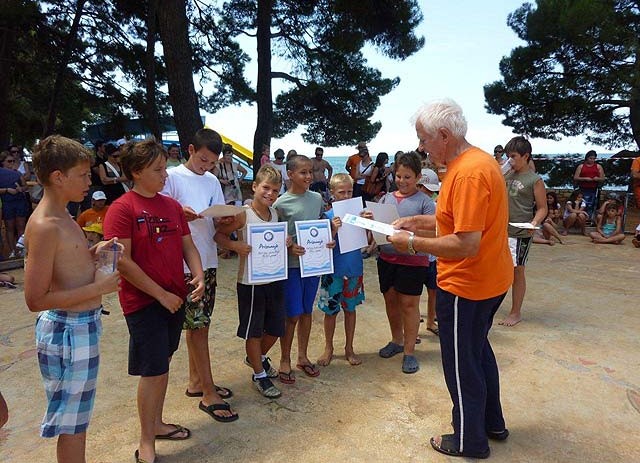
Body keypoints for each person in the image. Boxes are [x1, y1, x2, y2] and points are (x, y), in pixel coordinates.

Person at [388, 99, 513, 459]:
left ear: (444, 135)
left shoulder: (469, 172)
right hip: (488, 279)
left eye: (424, 140)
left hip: (467, 285)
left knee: (461, 363)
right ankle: (492, 423)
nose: (421, 149)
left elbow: (465, 243)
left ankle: (468, 439)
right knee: (477, 351)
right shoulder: (475, 162)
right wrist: (416, 222)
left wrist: (411, 242)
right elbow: (458, 220)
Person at [103, 139, 205, 463]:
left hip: (174, 298)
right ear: (135, 172)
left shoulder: (171, 206)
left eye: (164, 167)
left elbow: (187, 245)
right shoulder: (122, 208)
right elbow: (122, 261)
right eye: (157, 169)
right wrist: (160, 295)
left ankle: (158, 423)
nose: (165, 175)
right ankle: (146, 440)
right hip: (145, 302)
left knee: (162, 366)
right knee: (152, 370)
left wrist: (199, 274)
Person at [23, 135, 121, 463]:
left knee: (77, 420)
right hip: (67, 331)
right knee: (71, 424)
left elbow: (64, 266)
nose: (89, 181)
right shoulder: (45, 224)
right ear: (58, 177)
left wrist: (93, 253)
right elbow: (36, 299)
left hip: (80, 328)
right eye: (82, 175)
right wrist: (99, 289)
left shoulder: (65, 215)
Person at [161, 129, 237, 422]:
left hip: (206, 257)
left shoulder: (212, 180)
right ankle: (208, 392)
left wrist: (225, 217)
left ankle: (196, 381)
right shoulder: (171, 177)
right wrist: (181, 212)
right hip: (182, 264)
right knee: (198, 328)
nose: (206, 166)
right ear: (190, 149)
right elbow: (162, 212)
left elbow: (216, 216)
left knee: (200, 325)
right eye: (203, 159)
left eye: (211, 162)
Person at [214, 165, 286, 398]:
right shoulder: (243, 214)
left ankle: (257, 358)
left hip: (273, 278)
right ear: (255, 187)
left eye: (275, 190)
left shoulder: (274, 214)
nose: (270, 194)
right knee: (253, 331)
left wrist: (285, 243)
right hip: (250, 283)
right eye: (266, 188)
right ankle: (259, 375)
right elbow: (218, 235)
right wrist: (235, 246)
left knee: (276, 327)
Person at [375, 151, 434, 374]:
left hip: (413, 261)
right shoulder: (385, 198)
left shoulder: (425, 203)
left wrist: (412, 230)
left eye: (408, 177)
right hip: (387, 258)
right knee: (391, 302)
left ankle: (410, 351)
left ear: (418, 177)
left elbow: (434, 234)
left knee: (409, 306)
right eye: (399, 176)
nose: (402, 181)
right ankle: (396, 341)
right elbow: (377, 228)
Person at [274, 154, 328, 383]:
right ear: (290, 174)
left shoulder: (317, 199)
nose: (308, 176)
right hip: (292, 267)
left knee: (307, 312)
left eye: (310, 172)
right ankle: (284, 360)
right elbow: (273, 237)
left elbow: (320, 227)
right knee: (292, 314)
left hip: (312, 266)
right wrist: (289, 248)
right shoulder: (280, 203)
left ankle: (302, 357)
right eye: (303, 172)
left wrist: (328, 240)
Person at [316, 173, 366, 367]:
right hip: (333, 270)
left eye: (349, 192)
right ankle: (328, 347)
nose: (346, 196)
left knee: (350, 310)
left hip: (354, 269)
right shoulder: (327, 217)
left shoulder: (359, 214)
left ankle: (349, 348)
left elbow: (369, 241)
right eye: (341, 192)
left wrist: (369, 222)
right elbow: (322, 246)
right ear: (332, 193)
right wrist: (333, 229)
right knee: (330, 311)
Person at [499, 136, 548, 327]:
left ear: (525, 156)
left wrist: (534, 223)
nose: (510, 160)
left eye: (513, 156)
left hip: (520, 232)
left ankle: (515, 311)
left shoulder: (534, 180)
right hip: (501, 230)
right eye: (508, 156)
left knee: (517, 271)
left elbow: (542, 207)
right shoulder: (506, 175)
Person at [416, 168, 440, 336]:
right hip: (417, 256)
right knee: (413, 295)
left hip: (433, 256)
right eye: (427, 190)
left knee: (434, 291)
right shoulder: (413, 205)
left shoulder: (436, 206)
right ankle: (413, 329)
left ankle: (431, 321)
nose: (430, 194)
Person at [0, 150, 29, 257]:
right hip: (7, 203)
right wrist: (7, 190)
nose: (11, 163)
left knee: (21, 226)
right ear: (3, 162)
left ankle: (20, 251)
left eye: (13, 161)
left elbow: (25, 186)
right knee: (10, 228)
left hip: (19, 201)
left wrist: (20, 188)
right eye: (9, 161)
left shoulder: (17, 173)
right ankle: (12, 251)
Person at [573, 150, 605, 220]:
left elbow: (602, 178)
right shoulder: (581, 166)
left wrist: (597, 179)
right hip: (582, 188)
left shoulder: (598, 166)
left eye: (594, 159)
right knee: (582, 203)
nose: (592, 160)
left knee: (593, 204)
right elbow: (575, 177)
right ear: (587, 158)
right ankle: (581, 217)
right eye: (590, 158)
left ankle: (591, 218)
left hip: (594, 188)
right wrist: (584, 178)